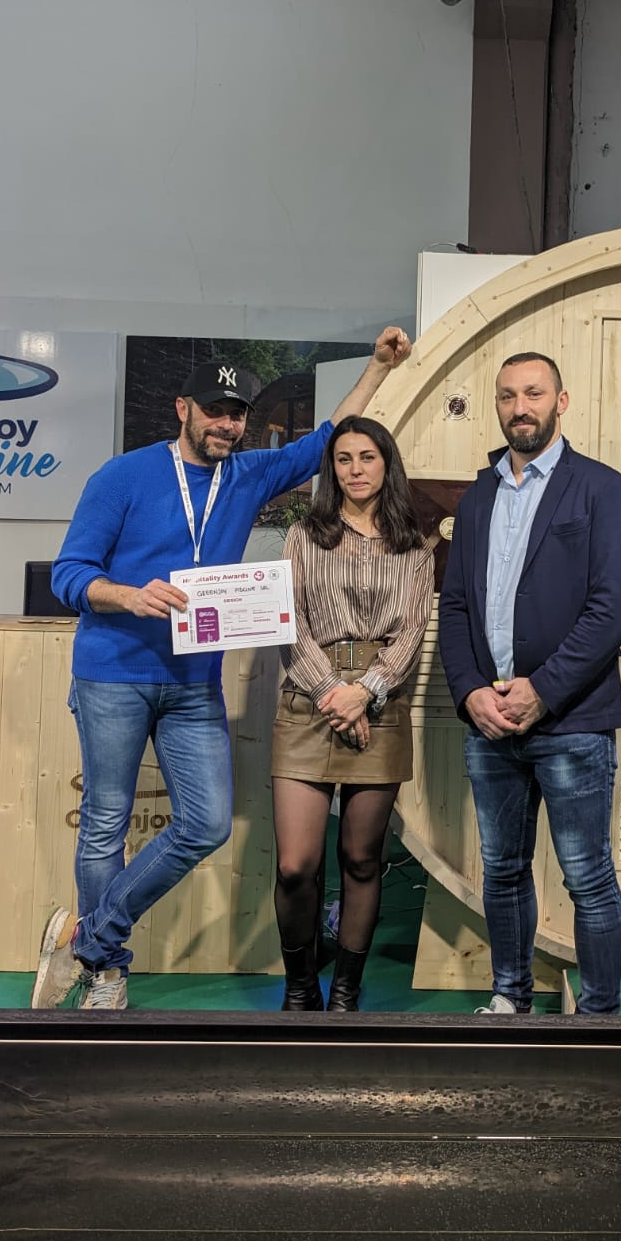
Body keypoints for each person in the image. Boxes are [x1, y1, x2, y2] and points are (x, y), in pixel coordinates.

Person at [31, 329, 411, 1012]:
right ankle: (107, 972)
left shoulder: (247, 473)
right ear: (184, 409)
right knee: (105, 824)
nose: (226, 425)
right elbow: (69, 575)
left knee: (205, 825)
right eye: (214, 411)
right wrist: (128, 596)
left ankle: (86, 937)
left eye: (236, 414)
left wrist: (379, 367)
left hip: (191, 684)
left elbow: (326, 440)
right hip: (112, 673)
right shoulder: (121, 477)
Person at [437, 351, 621, 1016]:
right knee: (501, 869)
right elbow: (456, 606)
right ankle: (511, 999)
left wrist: (544, 689)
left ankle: (601, 1017)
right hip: (489, 720)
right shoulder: (479, 496)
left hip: (572, 721)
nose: (519, 407)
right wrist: (470, 690)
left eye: (533, 393)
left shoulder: (602, 489)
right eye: (507, 396)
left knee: (587, 875)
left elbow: (614, 607)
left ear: (561, 401)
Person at [271, 416, 432, 1012]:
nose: (355, 469)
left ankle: (344, 995)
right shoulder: (303, 536)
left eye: (367, 457)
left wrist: (364, 692)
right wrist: (330, 693)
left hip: (378, 707)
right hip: (306, 703)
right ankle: (299, 991)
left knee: (363, 860)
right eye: (344, 459)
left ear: (386, 465)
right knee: (296, 865)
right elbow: (289, 623)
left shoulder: (413, 546)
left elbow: (412, 632)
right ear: (331, 468)